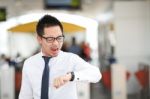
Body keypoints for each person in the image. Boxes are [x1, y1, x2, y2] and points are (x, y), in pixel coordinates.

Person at [19, 14, 101, 99]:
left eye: (59, 38)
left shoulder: (70, 59)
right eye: (50, 39)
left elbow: (96, 74)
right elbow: (25, 95)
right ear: (39, 39)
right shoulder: (29, 63)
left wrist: (71, 76)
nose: (56, 43)